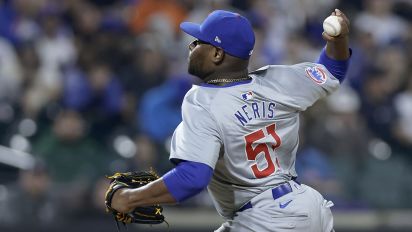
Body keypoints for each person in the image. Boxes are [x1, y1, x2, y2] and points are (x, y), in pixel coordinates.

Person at [109, 8, 351, 232]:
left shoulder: (203, 101)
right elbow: (332, 70)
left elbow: (193, 178)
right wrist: (339, 40)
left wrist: (129, 198)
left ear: (217, 53)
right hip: (307, 205)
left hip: (268, 218)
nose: (191, 45)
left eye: (199, 42)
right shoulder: (278, 80)